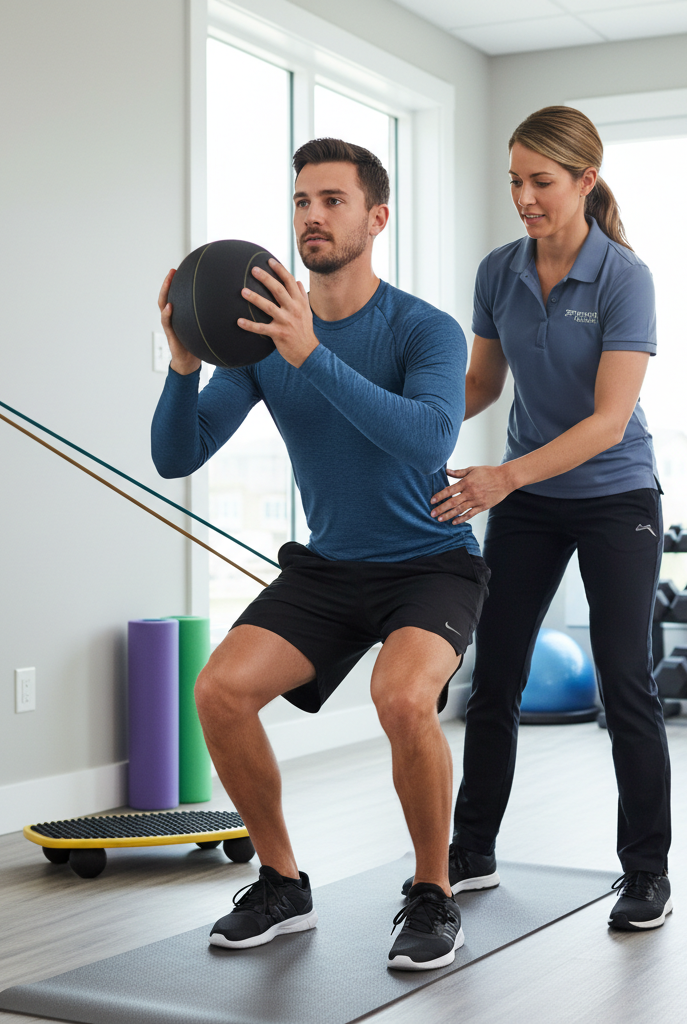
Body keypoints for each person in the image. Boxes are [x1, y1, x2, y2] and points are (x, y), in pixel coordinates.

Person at [151, 138, 490, 969]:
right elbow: (177, 453)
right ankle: (280, 882)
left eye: (333, 200)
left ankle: (432, 894)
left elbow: (428, 438)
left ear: (376, 218)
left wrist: (313, 354)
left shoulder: (423, 330)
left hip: (430, 561)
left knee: (404, 699)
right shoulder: (264, 338)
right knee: (220, 692)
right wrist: (184, 362)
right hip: (331, 566)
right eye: (302, 200)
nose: (313, 215)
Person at [411, 106, 672, 931]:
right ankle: (473, 850)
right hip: (530, 501)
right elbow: (481, 386)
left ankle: (646, 874)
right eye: (515, 180)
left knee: (625, 680)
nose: (524, 196)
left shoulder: (625, 277)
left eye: (541, 181)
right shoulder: (500, 271)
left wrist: (502, 478)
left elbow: (605, 420)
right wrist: (407, 430)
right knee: (496, 677)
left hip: (616, 495)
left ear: (586, 182)